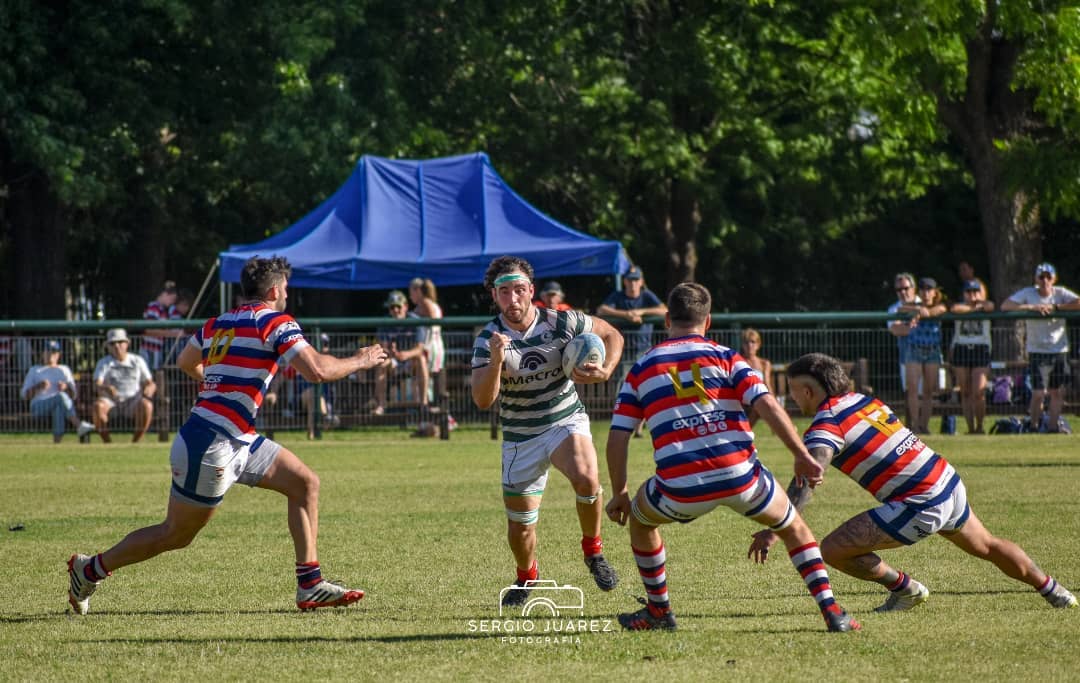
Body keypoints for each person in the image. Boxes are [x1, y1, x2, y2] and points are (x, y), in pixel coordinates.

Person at [67, 256, 388, 616]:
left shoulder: (217, 323)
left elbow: (187, 362)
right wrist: (361, 360)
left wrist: (216, 384)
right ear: (274, 290)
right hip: (210, 443)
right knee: (176, 534)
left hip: (238, 438)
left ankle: (310, 585)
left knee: (304, 483)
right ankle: (89, 569)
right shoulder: (275, 321)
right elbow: (316, 370)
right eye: (285, 288)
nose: (287, 295)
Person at [606, 283, 859, 632]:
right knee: (794, 528)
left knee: (641, 519)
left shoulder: (642, 368)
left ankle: (659, 611)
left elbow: (618, 435)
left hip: (680, 486)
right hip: (742, 477)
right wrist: (800, 455)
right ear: (707, 321)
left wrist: (620, 492)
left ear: (667, 320)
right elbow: (766, 404)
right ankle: (833, 612)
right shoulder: (727, 357)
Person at [749, 352, 1077, 612]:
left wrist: (776, 529)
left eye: (793, 392)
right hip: (947, 482)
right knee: (987, 545)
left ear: (807, 391)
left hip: (921, 501)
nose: (793, 400)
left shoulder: (826, 424)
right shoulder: (865, 401)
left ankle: (907, 589)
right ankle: (1055, 591)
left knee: (833, 550)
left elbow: (810, 475)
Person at [471, 255, 624, 607]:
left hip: (563, 419)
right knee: (521, 526)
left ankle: (593, 552)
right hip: (520, 435)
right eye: (504, 292)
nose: (513, 299)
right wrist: (496, 361)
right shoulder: (487, 339)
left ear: (531, 291)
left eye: (519, 290)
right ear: (494, 296)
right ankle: (527, 576)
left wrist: (605, 371)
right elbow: (483, 400)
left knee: (586, 478)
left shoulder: (563, 322)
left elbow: (611, 333)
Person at [1001, 263, 1080, 433]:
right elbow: (1006, 306)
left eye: (1048, 277)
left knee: (1057, 392)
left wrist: (1057, 308)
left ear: (1054, 279)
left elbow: (1078, 302)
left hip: (1059, 350)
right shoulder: (1028, 293)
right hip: (1038, 351)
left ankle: (1052, 428)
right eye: (1041, 277)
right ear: (1036, 279)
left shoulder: (1060, 293)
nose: (1045, 281)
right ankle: (1033, 427)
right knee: (1038, 393)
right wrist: (1032, 307)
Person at [597, 265, 667, 436]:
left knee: (648, 388)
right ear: (625, 281)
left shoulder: (646, 296)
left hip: (645, 351)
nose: (633, 284)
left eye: (636, 280)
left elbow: (664, 309)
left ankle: (639, 428)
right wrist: (627, 315)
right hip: (624, 351)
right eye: (630, 280)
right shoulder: (618, 296)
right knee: (623, 389)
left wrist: (641, 311)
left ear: (641, 282)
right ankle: (626, 425)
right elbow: (601, 309)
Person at [20, 340, 94, 443]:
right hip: (38, 406)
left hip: (61, 405)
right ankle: (79, 425)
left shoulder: (64, 369)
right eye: (49, 351)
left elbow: (73, 395)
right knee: (60, 397)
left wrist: (66, 388)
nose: (51, 354)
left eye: (54, 352)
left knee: (59, 406)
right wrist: (38, 387)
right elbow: (24, 395)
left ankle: (57, 443)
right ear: (43, 353)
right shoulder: (34, 370)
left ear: (58, 355)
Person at [92, 328, 156, 443]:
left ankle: (136, 442)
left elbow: (150, 383)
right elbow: (97, 384)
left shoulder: (137, 360)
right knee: (98, 406)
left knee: (147, 405)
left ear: (127, 343)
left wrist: (149, 389)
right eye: (112, 343)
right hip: (111, 401)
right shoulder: (103, 362)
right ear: (108, 346)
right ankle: (107, 443)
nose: (117, 346)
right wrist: (106, 388)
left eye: (120, 342)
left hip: (133, 401)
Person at [949, 279, 994, 434]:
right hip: (961, 348)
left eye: (975, 292)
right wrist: (973, 308)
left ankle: (980, 426)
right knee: (965, 391)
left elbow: (989, 306)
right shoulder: (960, 306)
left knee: (979, 391)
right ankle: (970, 428)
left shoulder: (986, 305)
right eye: (969, 292)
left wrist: (977, 306)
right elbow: (955, 309)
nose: (972, 295)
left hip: (981, 349)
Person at [372, 290, 423, 415]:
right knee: (381, 364)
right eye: (392, 307)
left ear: (405, 307)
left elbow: (420, 348)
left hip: (410, 361)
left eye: (398, 306)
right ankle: (381, 405)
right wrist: (391, 351)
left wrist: (405, 354)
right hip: (393, 362)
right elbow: (380, 347)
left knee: (422, 360)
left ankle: (423, 404)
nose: (395, 310)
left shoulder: (415, 320)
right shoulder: (384, 322)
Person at [405, 277, 446, 405]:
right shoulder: (429, 303)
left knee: (426, 375)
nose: (410, 296)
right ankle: (426, 405)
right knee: (426, 375)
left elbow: (432, 323)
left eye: (411, 292)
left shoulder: (425, 303)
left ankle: (427, 406)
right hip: (433, 342)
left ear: (417, 290)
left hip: (429, 343)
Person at [886, 272, 919, 402]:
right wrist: (919, 327)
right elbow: (896, 329)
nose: (903, 292)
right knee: (911, 394)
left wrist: (907, 327)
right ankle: (915, 423)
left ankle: (948, 423)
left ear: (913, 288)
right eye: (899, 289)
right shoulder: (893, 309)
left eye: (906, 288)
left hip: (930, 358)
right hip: (906, 358)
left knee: (935, 393)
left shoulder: (924, 303)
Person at [140, 281, 179, 371]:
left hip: (156, 350)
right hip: (149, 350)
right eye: (172, 299)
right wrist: (173, 334)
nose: (172, 303)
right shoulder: (154, 307)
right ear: (165, 294)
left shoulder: (162, 310)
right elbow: (149, 330)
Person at [739, 328, 773, 392]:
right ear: (743, 345)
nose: (749, 345)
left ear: (758, 344)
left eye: (753, 342)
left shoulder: (764, 364)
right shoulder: (738, 362)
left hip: (760, 397)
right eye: (746, 342)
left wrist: (773, 400)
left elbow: (767, 385)